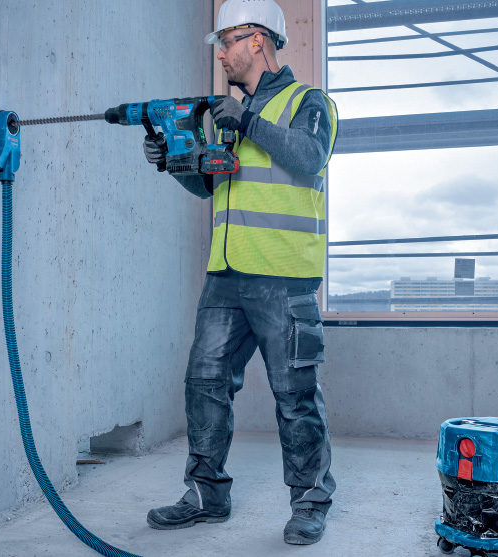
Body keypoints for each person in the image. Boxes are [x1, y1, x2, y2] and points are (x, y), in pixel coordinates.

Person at [142, 0, 339, 546]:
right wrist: (174, 162)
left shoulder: (309, 102)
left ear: (257, 39)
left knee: (294, 393)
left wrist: (247, 120)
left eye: (227, 42)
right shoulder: (231, 115)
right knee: (204, 383)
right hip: (225, 275)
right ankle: (206, 495)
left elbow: (309, 156)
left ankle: (311, 501)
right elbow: (211, 186)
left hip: (282, 277)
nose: (222, 54)